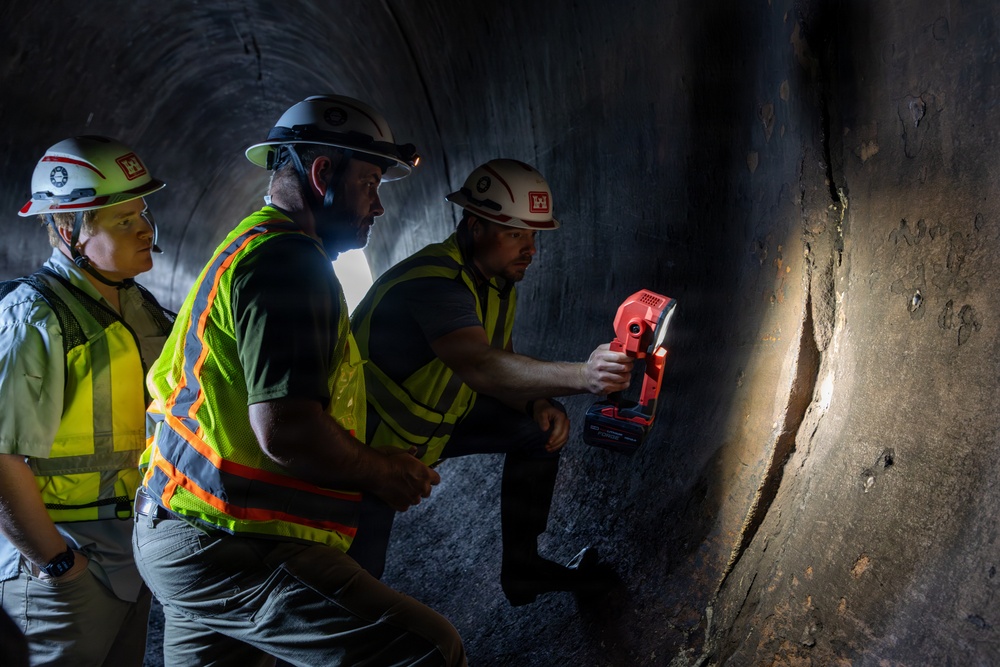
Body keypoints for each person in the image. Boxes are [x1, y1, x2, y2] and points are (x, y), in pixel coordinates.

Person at [133, 94, 466, 667]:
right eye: (370, 184)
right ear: (321, 173)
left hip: (181, 528)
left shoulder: (249, 247)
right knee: (427, 650)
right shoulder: (289, 261)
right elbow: (286, 430)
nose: (378, 207)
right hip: (231, 540)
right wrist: (380, 471)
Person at [349, 158, 634, 606]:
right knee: (355, 587)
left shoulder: (496, 283)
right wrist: (583, 375)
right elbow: (480, 366)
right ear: (476, 225)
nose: (530, 249)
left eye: (534, 235)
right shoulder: (436, 283)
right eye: (515, 233)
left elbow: (502, 363)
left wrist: (532, 402)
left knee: (540, 425)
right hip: (360, 452)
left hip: (429, 432)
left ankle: (523, 568)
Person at [0, 136, 174, 665]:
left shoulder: (140, 305)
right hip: (67, 563)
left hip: (132, 552)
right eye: (122, 220)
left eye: (142, 211)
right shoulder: (36, 318)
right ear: (67, 230)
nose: (145, 228)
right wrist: (56, 565)